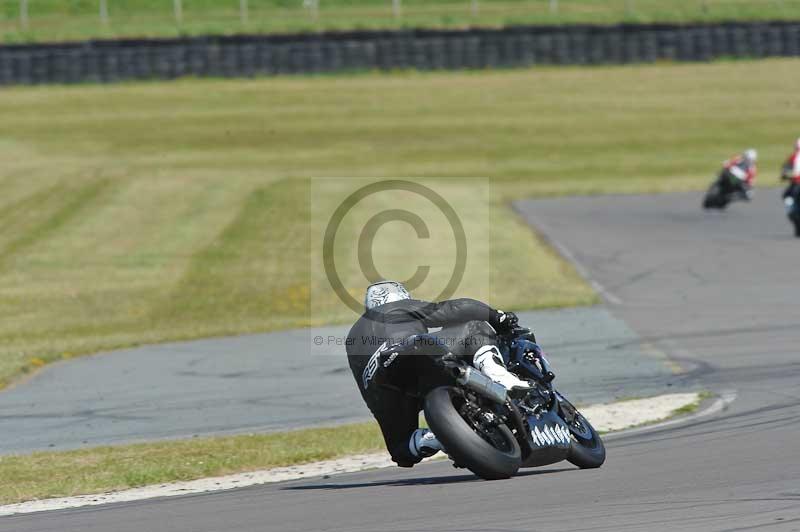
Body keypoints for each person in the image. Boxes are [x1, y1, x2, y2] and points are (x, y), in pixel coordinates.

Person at [346, 280, 531, 468]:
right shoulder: (394, 307)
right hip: (411, 353)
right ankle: (500, 376)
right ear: (399, 296)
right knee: (474, 325)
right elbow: (458, 308)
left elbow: (367, 388)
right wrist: (497, 316)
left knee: (401, 448)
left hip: (383, 385)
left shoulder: (352, 339)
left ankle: (433, 439)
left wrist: (386, 413)